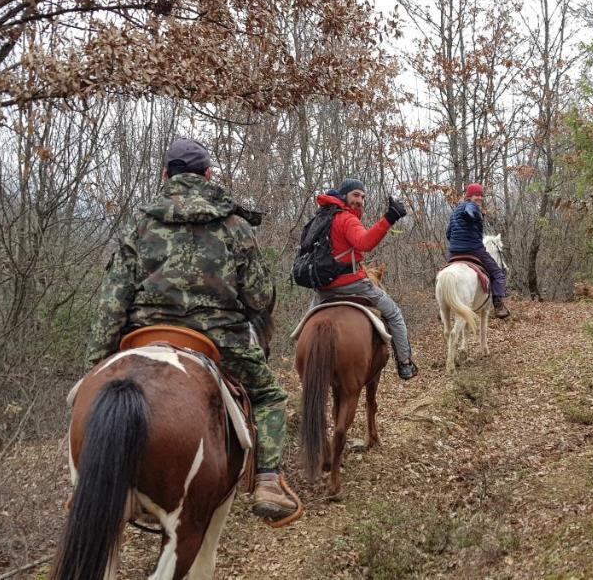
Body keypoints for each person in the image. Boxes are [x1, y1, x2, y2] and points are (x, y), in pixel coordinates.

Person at [84, 137, 297, 521]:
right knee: (269, 396)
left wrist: (96, 362)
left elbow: (112, 302)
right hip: (218, 339)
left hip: (144, 334)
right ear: (208, 175)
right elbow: (261, 298)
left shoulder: (142, 224)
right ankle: (267, 481)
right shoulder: (233, 225)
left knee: (91, 398)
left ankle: (84, 488)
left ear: (165, 175)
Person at [310, 178, 419, 380]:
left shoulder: (321, 217)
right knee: (394, 314)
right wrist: (390, 217)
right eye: (355, 195)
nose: (360, 200)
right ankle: (405, 363)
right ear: (344, 196)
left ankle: (303, 364)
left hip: (322, 289)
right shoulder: (345, 218)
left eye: (362, 196)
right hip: (352, 284)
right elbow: (365, 243)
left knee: (305, 327)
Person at [446, 183, 510, 319]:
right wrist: (472, 213)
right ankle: (498, 305)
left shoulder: (455, 211)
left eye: (481, 195)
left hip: (454, 252)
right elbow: (469, 209)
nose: (480, 197)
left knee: (444, 274)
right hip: (474, 250)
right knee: (498, 274)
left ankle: (444, 303)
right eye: (477, 195)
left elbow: (448, 234)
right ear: (469, 196)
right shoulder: (472, 207)